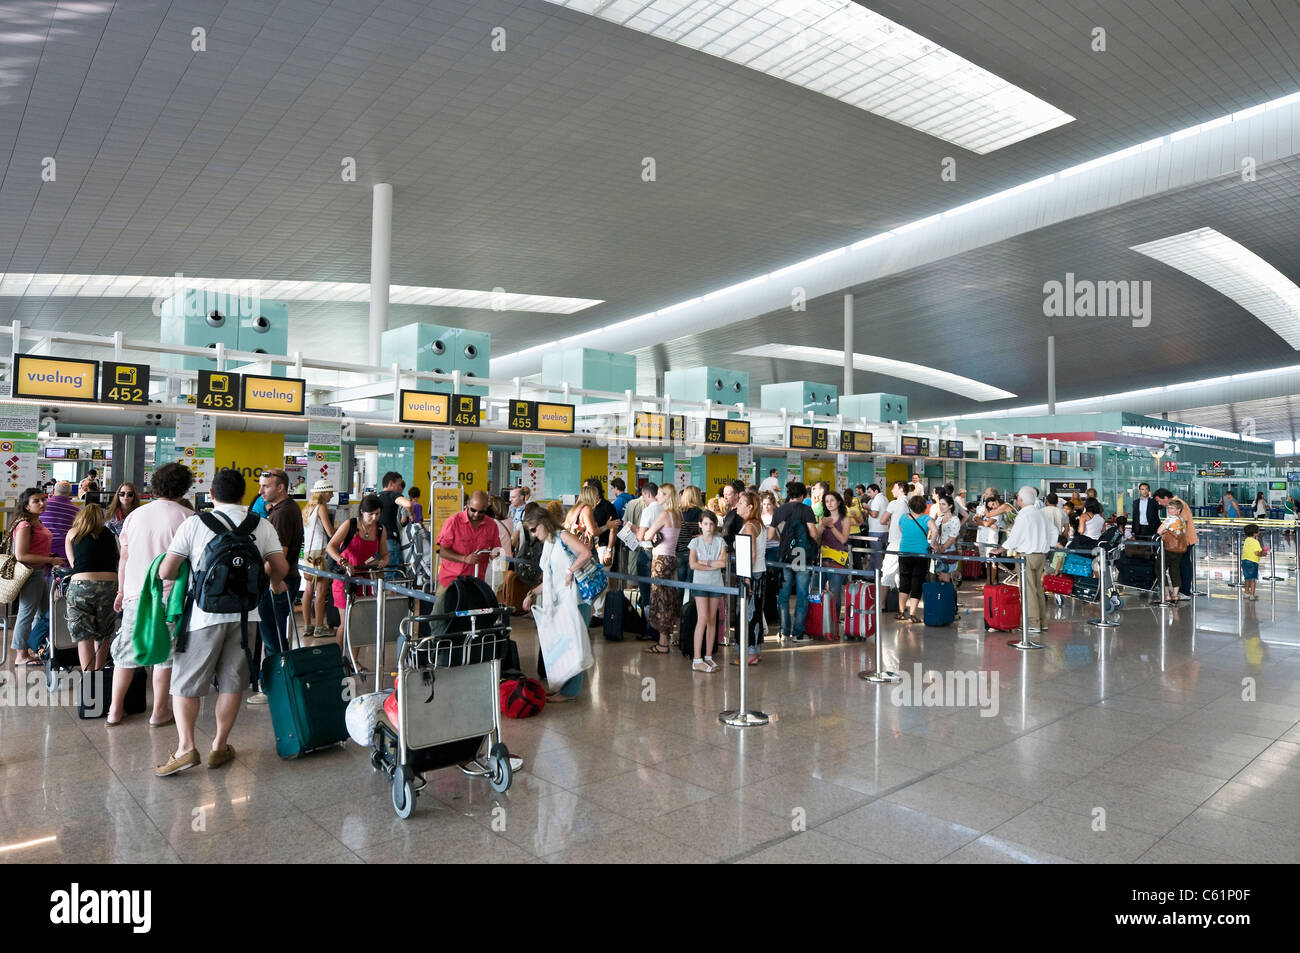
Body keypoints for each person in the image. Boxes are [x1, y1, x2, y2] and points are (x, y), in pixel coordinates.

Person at [158, 468, 286, 776]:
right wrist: (269, 580)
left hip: (202, 617)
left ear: (212, 495)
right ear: (244, 495)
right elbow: (280, 568)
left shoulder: (194, 524)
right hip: (247, 617)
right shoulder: (261, 524)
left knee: (186, 684)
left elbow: (167, 571)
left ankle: (186, 748)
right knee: (232, 683)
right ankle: (219, 746)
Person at [106, 462, 193, 726]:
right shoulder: (188, 518)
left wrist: (121, 590)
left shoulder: (134, 516)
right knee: (163, 652)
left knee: (126, 652)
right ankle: (159, 711)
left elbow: (124, 558)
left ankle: (114, 710)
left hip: (135, 593)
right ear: (185, 487)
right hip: (170, 596)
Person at [521, 507, 594, 702]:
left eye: (534, 529)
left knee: (574, 645)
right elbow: (551, 579)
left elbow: (585, 553)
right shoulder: (550, 544)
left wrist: (570, 571)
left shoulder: (563, 536)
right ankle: (563, 686)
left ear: (544, 524)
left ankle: (570, 692)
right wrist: (531, 593)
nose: (534, 535)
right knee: (565, 645)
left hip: (576, 599)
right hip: (563, 600)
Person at [246, 468, 303, 706]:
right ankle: (279, 684)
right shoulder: (284, 509)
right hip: (281, 580)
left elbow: (278, 556)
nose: (260, 491)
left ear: (281, 488)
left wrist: (270, 580)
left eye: (266, 487)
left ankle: (273, 688)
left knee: (273, 638)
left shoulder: (282, 514)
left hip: (277, 582)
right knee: (275, 635)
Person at [7, 488, 66, 665]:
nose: (42, 503)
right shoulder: (25, 525)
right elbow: (21, 555)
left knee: (43, 613)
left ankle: (35, 647)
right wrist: (50, 559)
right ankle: (21, 654)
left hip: (40, 572)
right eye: (36, 501)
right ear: (26, 506)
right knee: (26, 614)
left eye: (43, 499)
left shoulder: (37, 522)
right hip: (30, 574)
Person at [64, 502, 119, 675]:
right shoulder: (111, 534)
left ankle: (89, 678)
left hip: (81, 585)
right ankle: (99, 674)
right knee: (103, 636)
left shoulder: (73, 533)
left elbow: (74, 564)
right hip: (109, 585)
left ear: (81, 517)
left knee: (83, 637)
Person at [995, 487, 1056, 633]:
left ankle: (1032, 624)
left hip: (1026, 556)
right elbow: (1054, 531)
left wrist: (1000, 549)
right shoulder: (1040, 514)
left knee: (1028, 590)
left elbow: (1015, 536)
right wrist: (1048, 544)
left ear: (1020, 500)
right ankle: (1042, 622)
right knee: (1038, 590)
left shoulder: (1023, 514)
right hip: (1041, 555)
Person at [326, 493, 387, 625]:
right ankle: (341, 646)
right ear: (362, 511)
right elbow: (330, 547)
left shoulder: (380, 529)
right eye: (370, 514)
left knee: (361, 625)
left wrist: (383, 562)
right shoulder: (350, 524)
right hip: (345, 579)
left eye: (377, 514)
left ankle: (355, 647)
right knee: (346, 623)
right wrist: (344, 562)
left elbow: (385, 554)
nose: (374, 517)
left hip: (366, 580)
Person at [774, 482, 821, 642]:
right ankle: (798, 633)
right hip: (801, 555)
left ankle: (783, 631)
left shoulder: (780, 510)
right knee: (802, 594)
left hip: (784, 555)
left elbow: (770, 535)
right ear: (802, 495)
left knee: (784, 595)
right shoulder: (806, 510)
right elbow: (813, 533)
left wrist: (785, 542)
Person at [731, 490, 774, 665]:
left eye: (741, 503)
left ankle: (750, 653)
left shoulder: (749, 526)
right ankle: (754, 650)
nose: (737, 505)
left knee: (747, 614)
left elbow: (752, 553)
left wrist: (746, 578)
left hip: (750, 574)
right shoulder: (758, 524)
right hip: (759, 573)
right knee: (754, 613)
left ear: (750, 507)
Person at [434, 490, 501, 593]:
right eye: (473, 510)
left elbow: (496, 548)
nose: (476, 514)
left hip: (476, 584)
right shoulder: (453, 521)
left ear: (486, 508)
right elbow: (443, 551)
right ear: (467, 504)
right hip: (451, 582)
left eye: (481, 512)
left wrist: (495, 553)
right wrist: (464, 559)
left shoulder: (492, 525)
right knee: (441, 609)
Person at [642, 484, 682, 654]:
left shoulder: (664, 514)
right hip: (672, 557)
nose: (656, 496)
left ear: (666, 496)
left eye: (659, 493)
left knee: (659, 599)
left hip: (660, 559)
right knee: (670, 596)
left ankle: (662, 641)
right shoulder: (677, 515)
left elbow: (648, 535)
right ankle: (674, 635)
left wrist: (639, 530)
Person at [687, 509, 727, 672]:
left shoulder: (721, 542)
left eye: (711, 524)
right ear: (700, 525)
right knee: (702, 618)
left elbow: (722, 563)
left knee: (712, 619)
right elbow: (693, 564)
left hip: (716, 583)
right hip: (700, 583)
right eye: (705, 524)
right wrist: (712, 563)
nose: (708, 527)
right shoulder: (695, 543)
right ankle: (697, 658)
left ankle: (709, 656)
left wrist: (706, 562)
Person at [300, 479, 337, 641]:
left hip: (308, 552)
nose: (331, 495)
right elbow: (330, 532)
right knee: (321, 591)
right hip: (320, 553)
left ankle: (308, 625)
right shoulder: (322, 507)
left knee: (309, 590)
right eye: (330, 492)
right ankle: (320, 627)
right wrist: (342, 531)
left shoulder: (308, 508)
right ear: (322, 493)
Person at [1153, 488, 1196, 599]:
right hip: (1181, 541)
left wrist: (1167, 529)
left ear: (1166, 498)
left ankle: (1184, 591)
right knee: (1176, 567)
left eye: (1159, 501)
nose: (1159, 504)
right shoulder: (1178, 504)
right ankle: (1177, 592)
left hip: (1182, 542)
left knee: (1181, 566)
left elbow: (1181, 521)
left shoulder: (1179, 505)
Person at [634, 482, 662, 642]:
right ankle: (659, 628)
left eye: (643, 496)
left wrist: (634, 530)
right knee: (657, 592)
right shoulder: (664, 509)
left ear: (647, 494)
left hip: (646, 553)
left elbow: (641, 535)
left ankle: (651, 630)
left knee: (646, 594)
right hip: (659, 553)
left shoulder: (648, 510)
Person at [895, 495, 931, 624]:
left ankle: (900, 612)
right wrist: (930, 542)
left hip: (904, 553)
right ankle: (912, 614)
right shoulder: (927, 519)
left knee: (904, 581)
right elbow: (935, 531)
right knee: (916, 583)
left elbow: (901, 530)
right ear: (924, 507)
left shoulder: (903, 517)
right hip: (920, 555)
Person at [377, 472, 415, 574]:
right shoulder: (392, 495)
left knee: (379, 578)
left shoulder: (376, 497)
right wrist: (411, 516)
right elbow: (408, 504)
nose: (400, 488)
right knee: (393, 578)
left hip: (375, 542)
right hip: (390, 542)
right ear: (390, 483)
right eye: (399, 484)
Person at [818, 490, 851, 603]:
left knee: (834, 591)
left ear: (838, 502)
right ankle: (819, 616)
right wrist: (821, 525)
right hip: (823, 558)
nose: (829, 503)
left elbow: (843, 539)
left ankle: (834, 619)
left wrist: (831, 526)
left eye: (832, 500)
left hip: (838, 559)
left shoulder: (845, 519)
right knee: (816, 589)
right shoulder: (824, 518)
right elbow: (816, 537)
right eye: (827, 501)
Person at [1157, 500, 1188, 603]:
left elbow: (1159, 531)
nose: (1169, 510)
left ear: (1178, 510)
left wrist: (1165, 531)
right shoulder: (1182, 520)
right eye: (1168, 508)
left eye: (1172, 508)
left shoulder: (1170, 519)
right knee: (1174, 570)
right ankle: (1175, 594)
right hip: (1179, 549)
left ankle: (1166, 595)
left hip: (1168, 548)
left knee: (1160, 569)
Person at [928, 494, 963, 586]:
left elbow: (952, 538)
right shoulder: (939, 519)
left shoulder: (955, 520)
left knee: (945, 577)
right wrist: (935, 545)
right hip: (938, 549)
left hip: (948, 549)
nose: (941, 506)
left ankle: (949, 598)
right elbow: (934, 532)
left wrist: (942, 548)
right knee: (938, 576)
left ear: (950, 506)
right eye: (940, 504)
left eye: (943, 504)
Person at [975, 489, 1007, 585]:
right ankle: (987, 582)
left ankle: (990, 583)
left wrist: (984, 523)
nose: (984, 495)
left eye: (987, 493)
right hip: (981, 537)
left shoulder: (997, 508)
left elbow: (988, 522)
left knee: (992, 561)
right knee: (985, 562)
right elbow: (975, 519)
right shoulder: (982, 507)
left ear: (993, 495)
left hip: (991, 538)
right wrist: (985, 523)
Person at [43, 481, 79, 564]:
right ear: (70, 493)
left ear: (53, 490)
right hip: (64, 550)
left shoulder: (42, 505)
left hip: (43, 547)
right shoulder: (76, 510)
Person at [675, 485, 705, 584]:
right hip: (695, 552)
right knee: (692, 582)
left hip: (679, 551)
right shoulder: (700, 513)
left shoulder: (678, 513)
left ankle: (679, 599)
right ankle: (691, 600)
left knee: (680, 583)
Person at [865, 483, 889, 574]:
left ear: (876, 491)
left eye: (870, 492)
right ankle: (871, 574)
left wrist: (867, 509)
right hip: (884, 530)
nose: (869, 494)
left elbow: (874, 514)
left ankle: (877, 574)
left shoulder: (876, 499)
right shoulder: (885, 498)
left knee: (876, 555)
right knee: (880, 554)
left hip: (875, 531)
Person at [1241, 523, 1264, 601]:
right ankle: (1252, 595)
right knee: (1253, 579)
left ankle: (1246, 593)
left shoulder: (1246, 540)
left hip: (1244, 561)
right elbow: (1257, 553)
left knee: (1247, 578)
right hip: (1253, 562)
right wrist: (1263, 553)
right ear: (1255, 533)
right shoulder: (1255, 542)